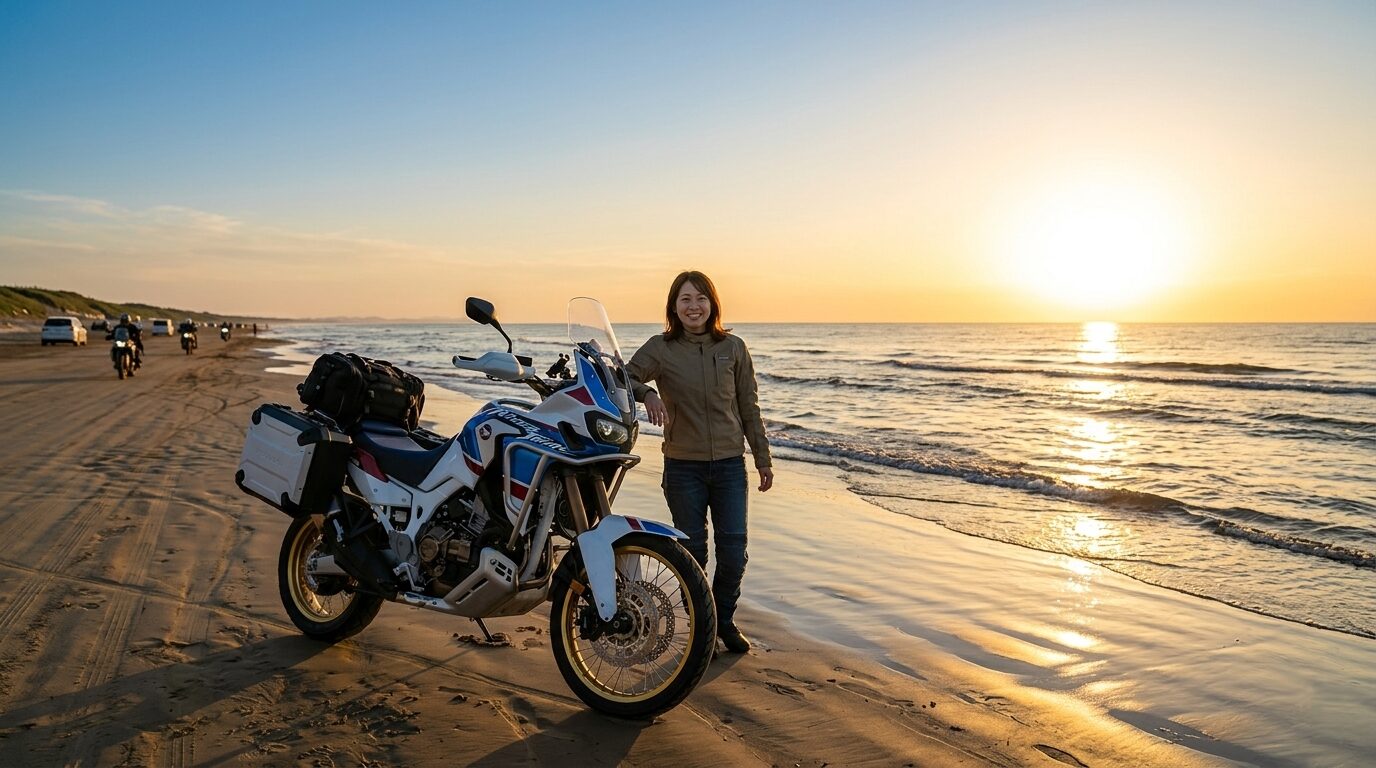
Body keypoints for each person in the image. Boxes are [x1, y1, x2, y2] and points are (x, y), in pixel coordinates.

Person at [626, 270, 773, 653]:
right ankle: (700, 628)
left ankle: (722, 619)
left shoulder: (734, 347)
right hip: (683, 467)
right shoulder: (661, 347)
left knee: (733, 553)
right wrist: (647, 394)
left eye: (701, 298)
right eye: (685, 299)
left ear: (713, 303)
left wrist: (762, 458)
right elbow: (622, 377)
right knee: (694, 554)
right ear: (674, 306)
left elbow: (749, 406)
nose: (694, 306)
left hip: (728, 466)